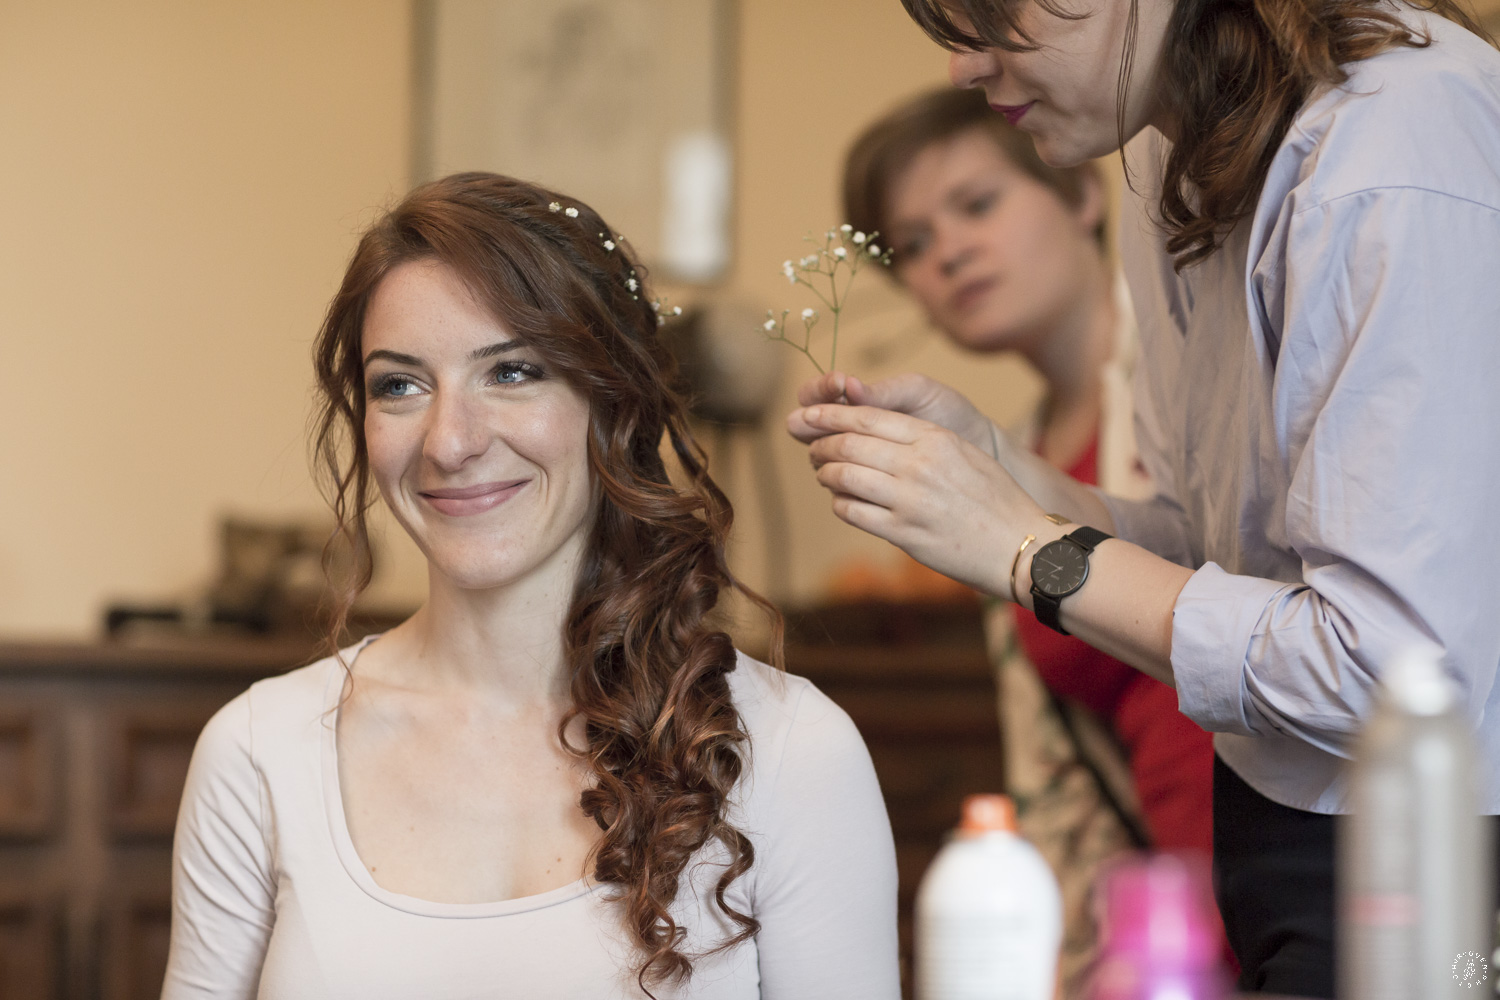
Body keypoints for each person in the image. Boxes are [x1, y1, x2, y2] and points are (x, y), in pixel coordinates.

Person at [789, 0, 1500, 995]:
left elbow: (1388, 668)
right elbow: (1219, 553)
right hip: (1273, 822)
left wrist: (1028, 547)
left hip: (1431, 843)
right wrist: (999, 469)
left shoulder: (1389, 150)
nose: (962, 67)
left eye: (989, 12)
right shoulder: (1163, 157)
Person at [163, 173, 901, 1000]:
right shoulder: (258, 753)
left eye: (511, 372)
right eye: (399, 385)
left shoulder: (793, 752)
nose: (450, 442)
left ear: (612, 401)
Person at [841, 85, 1224, 989]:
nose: (949, 253)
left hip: (1280, 859)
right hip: (1157, 908)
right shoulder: (1007, 459)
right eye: (913, 245)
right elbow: (1053, 781)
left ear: (1082, 195)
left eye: (977, 205)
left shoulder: (1197, 383)